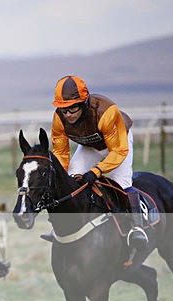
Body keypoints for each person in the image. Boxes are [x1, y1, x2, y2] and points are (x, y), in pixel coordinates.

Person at [49, 75, 147, 248]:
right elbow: (61, 152)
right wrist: (61, 175)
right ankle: (67, 225)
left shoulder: (106, 112)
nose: (68, 115)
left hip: (118, 143)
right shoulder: (59, 118)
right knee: (71, 180)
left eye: (73, 108)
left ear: (84, 103)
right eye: (64, 110)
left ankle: (137, 228)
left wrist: (96, 171)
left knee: (120, 183)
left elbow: (118, 150)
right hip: (89, 145)